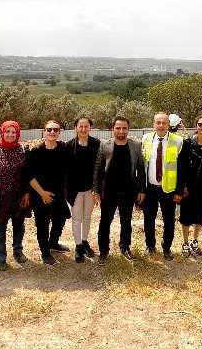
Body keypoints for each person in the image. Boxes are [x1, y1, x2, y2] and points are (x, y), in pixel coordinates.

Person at [93, 115, 146, 265]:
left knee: (126, 222)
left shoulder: (136, 145)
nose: (121, 131)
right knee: (105, 222)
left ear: (128, 129)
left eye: (124, 128)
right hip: (108, 192)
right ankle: (103, 250)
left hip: (128, 191)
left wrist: (142, 190)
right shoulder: (104, 145)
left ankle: (125, 247)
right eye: (118, 128)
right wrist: (96, 191)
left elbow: (141, 168)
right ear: (113, 129)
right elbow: (97, 169)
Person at [0, 120, 29, 271]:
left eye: (14, 132)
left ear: (18, 134)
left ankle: (18, 251)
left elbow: (27, 175)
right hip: (0, 200)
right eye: (7, 131)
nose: (10, 134)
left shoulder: (22, 151)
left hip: (18, 198)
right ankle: (1, 258)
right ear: (2, 132)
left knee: (19, 226)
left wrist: (27, 193)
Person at [24, 120, 71, 265]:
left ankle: (53, 243)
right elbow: (29, 176)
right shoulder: (36, 152)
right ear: (44, 132)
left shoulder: (63, 150)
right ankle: (45, 253)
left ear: (59, 133)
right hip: (39, 195)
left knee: (60, 220)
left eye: (55, 130)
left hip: (58, 194)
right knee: (42, 225)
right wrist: (43, 194)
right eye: (49, 129)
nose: (52, 132)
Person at [141, 112, 184, 260]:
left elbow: (181, 168)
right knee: (148, 219)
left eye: (164, 123)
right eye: (158, 122)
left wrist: (179, 190)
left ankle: (166, 248)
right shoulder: (146, 139)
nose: (161, 125)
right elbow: (143, 165)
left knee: (169, 220)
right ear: (153, 124)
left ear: (168, 125)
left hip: (168, 189)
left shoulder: (178, 141)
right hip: (150, 188)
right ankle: (150, 246)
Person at [177, 116, 202, 257]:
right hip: (188, 187)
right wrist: (183, 185)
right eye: (200, 124)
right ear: (196, 126)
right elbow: (182, 166)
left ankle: (195, 241)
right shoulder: (188, 143)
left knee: (200, 215)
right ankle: (185, 242)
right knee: (186, 216)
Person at [67, 116, 101, 262]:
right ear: (76, 128)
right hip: (74, 190)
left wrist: (97, 190)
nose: (83, 129)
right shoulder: (69, 146)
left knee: (87, 217)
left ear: (90, 128)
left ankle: (85, 241)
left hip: (90, 190)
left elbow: (99, 167)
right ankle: (78, 246)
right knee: (76, 218)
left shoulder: (96, 144)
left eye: (86, 126)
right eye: (80, 126)